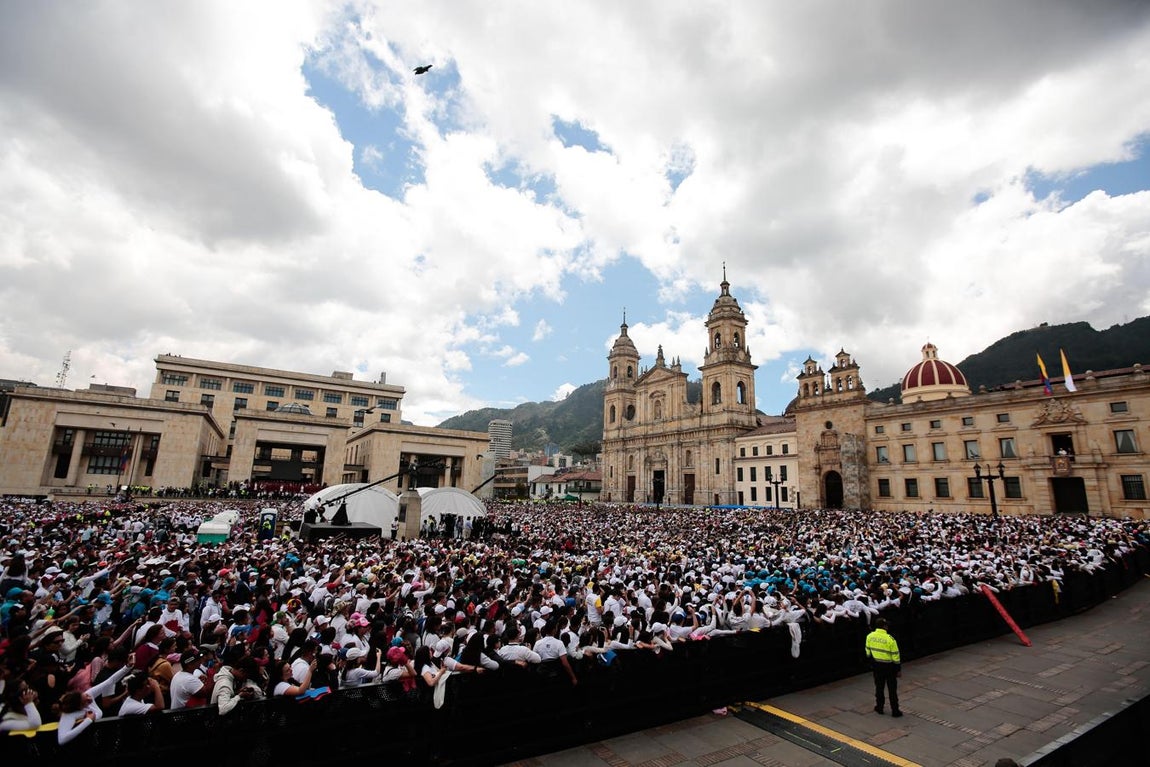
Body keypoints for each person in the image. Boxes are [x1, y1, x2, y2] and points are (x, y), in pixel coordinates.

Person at [865, 617, 902, 717]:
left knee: (879, 688)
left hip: (877, 666)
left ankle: (879, 707)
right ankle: (895, 710)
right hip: (889, 667)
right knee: (892, 690)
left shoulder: (869, 636)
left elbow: (868, 652)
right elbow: (896, 656)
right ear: (884, 627)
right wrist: (898, 669)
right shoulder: (890, 639)